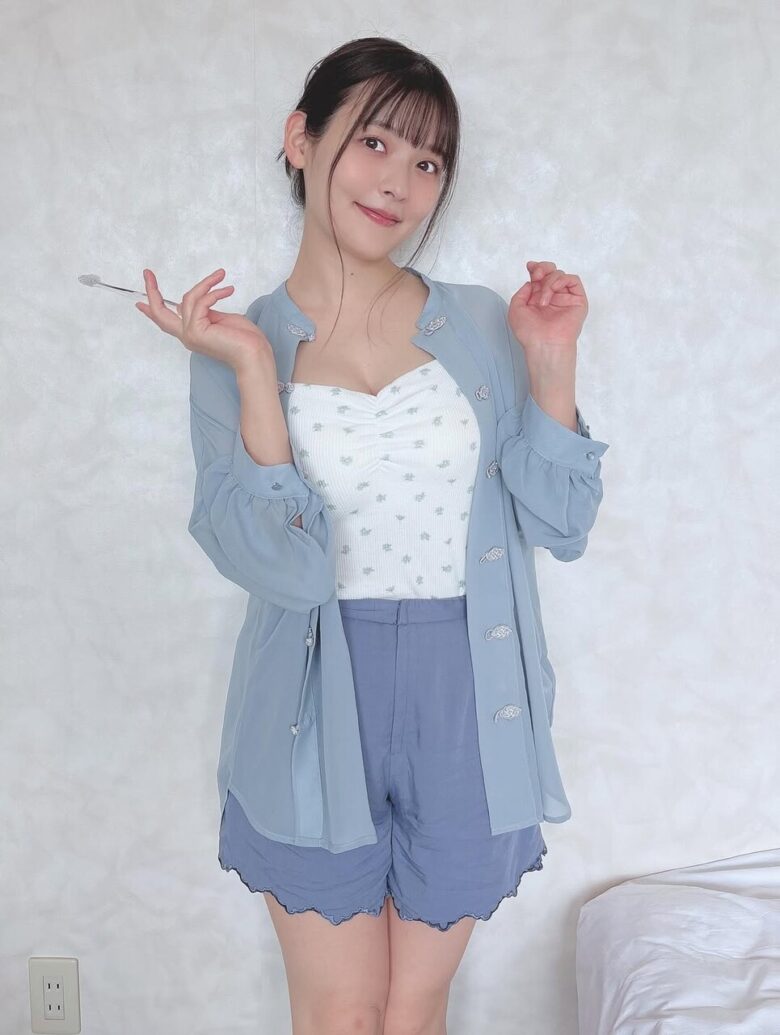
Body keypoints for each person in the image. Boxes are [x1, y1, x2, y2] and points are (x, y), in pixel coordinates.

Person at [137, 35, 609, 1035]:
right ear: (301, 140)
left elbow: (559, 523)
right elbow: (281, 567)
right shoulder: (235, 344)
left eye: (429, 161)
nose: (400, 181)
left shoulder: (481, 323)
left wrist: (551, 363)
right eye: (377, 141)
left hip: (470, 693)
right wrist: (255, 376)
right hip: (313, 697)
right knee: (343, 1014)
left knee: (411, 1009)